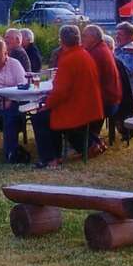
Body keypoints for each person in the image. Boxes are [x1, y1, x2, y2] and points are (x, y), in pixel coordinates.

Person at [31, 25, 103, 168]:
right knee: (48, 115)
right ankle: (90, 144)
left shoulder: (68, 59)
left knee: (39, 117)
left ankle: (50, 159)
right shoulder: (85, 54)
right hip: (88, 105)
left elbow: (60, 92)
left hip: (75, 108)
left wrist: (47, 105)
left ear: (61, 40)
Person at [83, 25, 122, 154]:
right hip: (112, 99)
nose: (82, 39)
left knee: (67, 109)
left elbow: (88, 81)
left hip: (106, 102)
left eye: (85, 36)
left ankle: (90, 143)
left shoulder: (96, 54)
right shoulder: (102, 48)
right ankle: (92, 139)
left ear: (93, 38)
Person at [113, 22, 133, 98]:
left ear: (130, 37)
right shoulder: (116, 50)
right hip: (118, 91)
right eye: (116, 34)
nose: (117, 37)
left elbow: (128, 72)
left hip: (130, 94)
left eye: (120, 35)